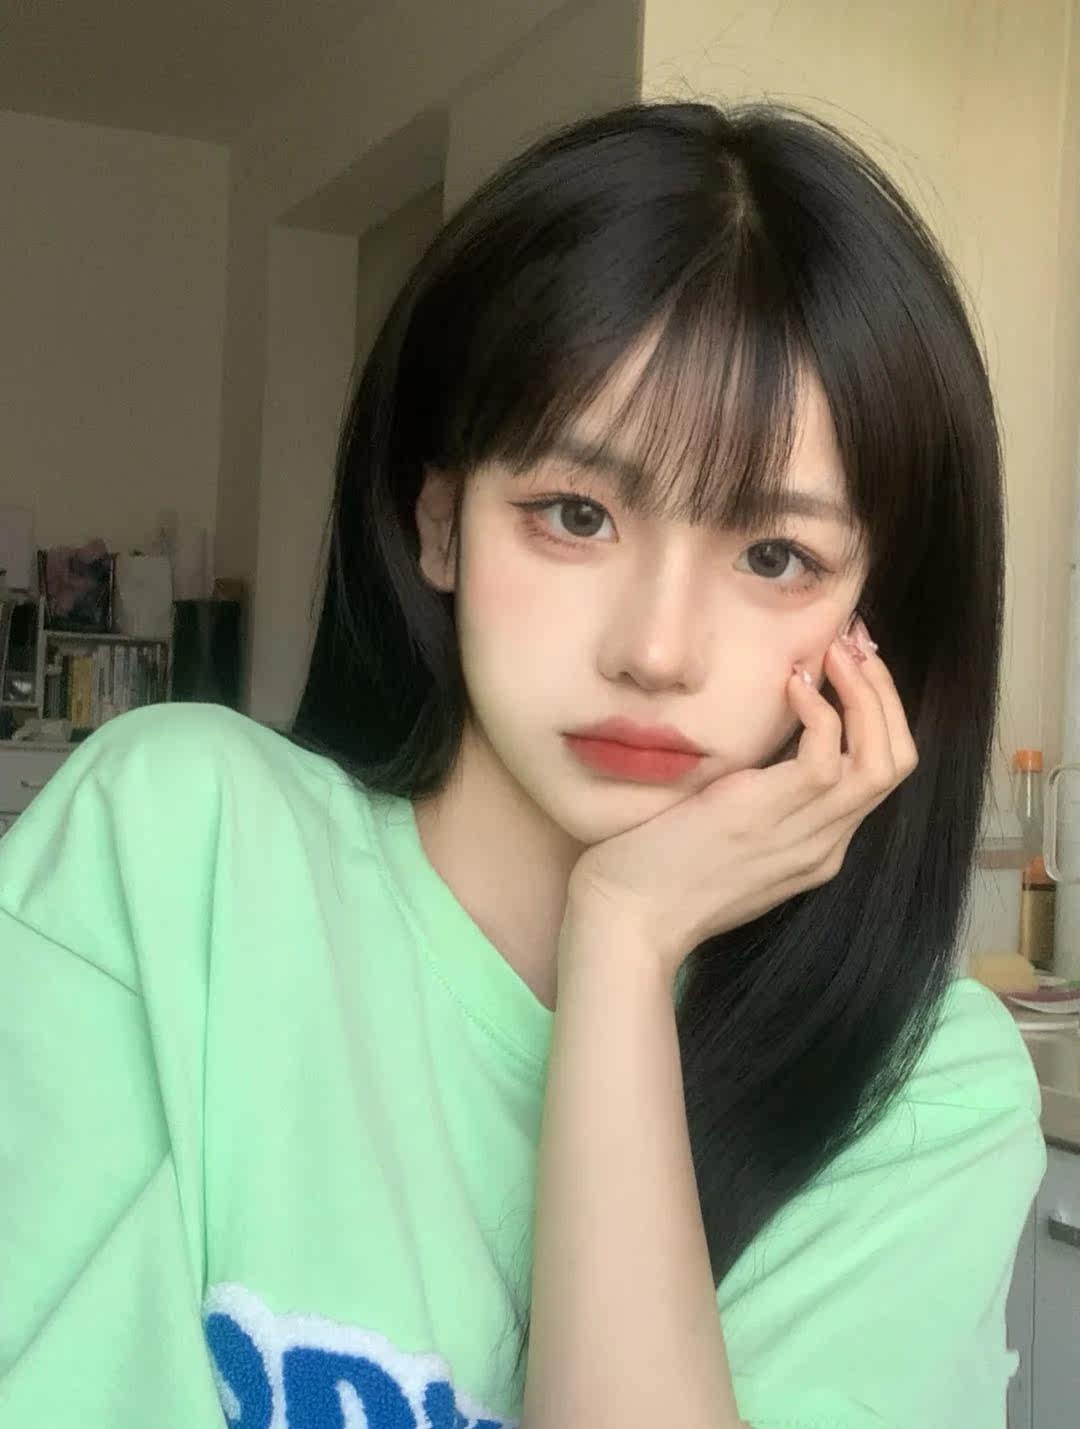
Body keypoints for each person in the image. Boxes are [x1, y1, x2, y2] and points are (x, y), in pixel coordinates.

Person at [0, 99, 1043, 1429]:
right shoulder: (176, 851)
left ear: (874, 618)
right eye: (577, 514)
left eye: (775, 554)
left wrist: (623, 939)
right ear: (441, 525)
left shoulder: (920, 1088)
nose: (655, 650)